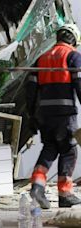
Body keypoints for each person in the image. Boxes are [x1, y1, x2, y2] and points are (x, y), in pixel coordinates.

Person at [26, 23, 81, 209]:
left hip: (44, 115)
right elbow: (79, 84)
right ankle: (65, 194)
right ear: (73, 39)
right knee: (69, 150)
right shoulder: (72, 56)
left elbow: (30, 90)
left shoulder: (41, 58)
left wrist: (32, 116)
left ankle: (37, 187)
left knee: (50, 148)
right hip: (65, 114)